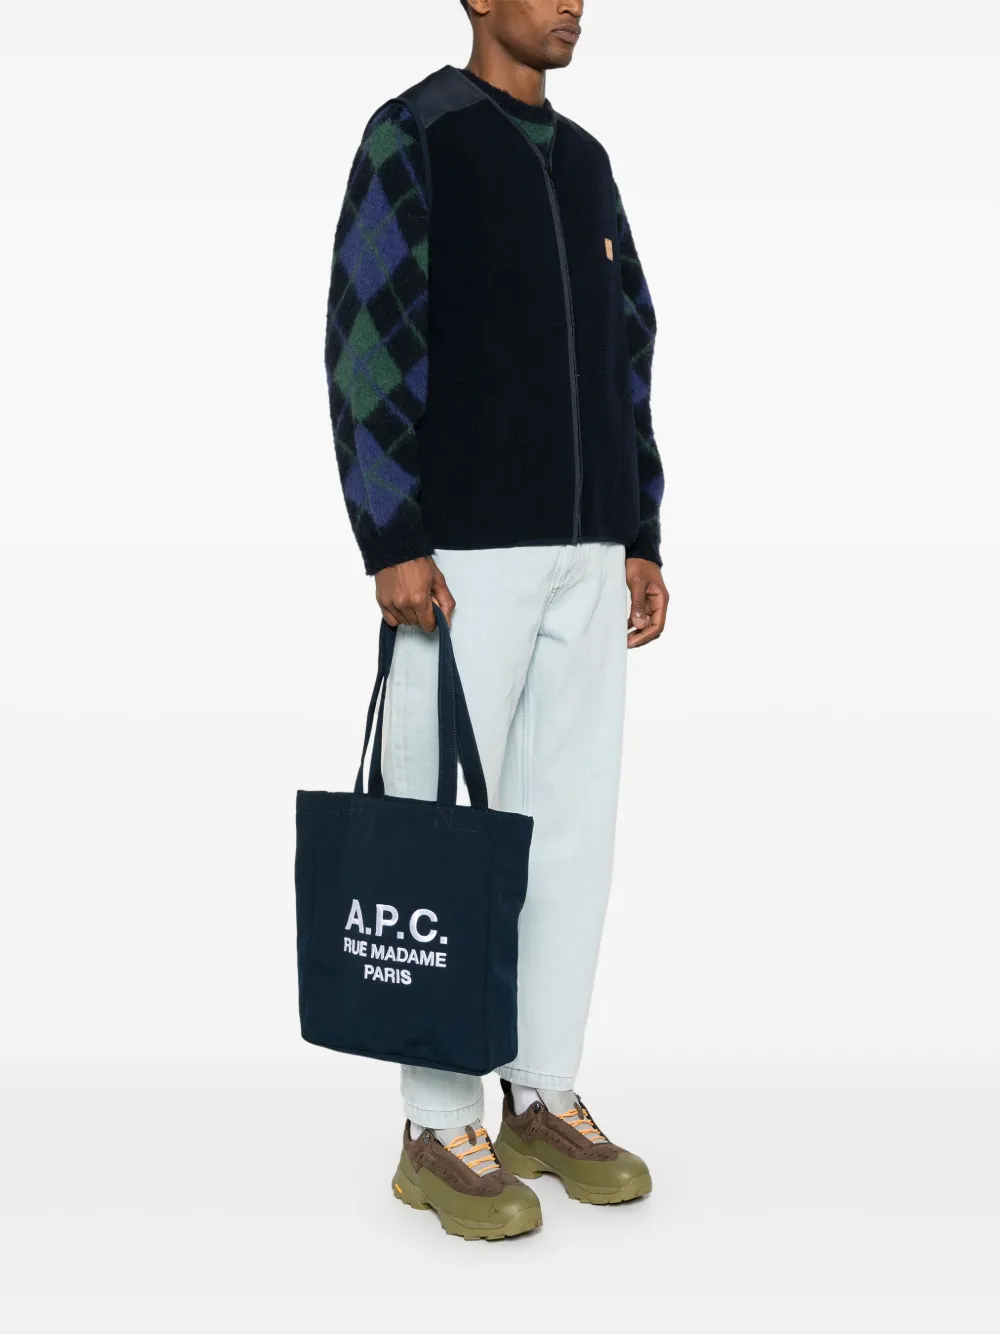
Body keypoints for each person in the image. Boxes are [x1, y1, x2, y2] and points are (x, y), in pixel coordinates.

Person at [324, 0, 667, 1240]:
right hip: (461, 553)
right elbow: (367, 335)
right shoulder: (415, 134)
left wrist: (638, 529)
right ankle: (433, 1125)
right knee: (442, 834)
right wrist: (391, 534)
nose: (573, 2)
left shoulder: (585, 162)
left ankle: (542, 1091)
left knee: (570, 828)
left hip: (586, 552)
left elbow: (628, 350)